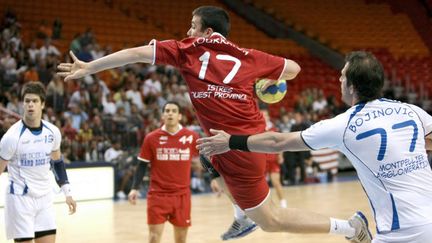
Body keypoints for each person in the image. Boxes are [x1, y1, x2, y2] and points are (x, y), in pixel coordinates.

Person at [57, 6, 369, 242]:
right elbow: (294, 68)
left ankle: (350, 227)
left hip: (241, 148)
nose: (187, 31)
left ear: (206, 32)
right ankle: (240, 213)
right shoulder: (248, 56)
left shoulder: (186, 50)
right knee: (205, 150)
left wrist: (91, 68)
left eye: (192, 26)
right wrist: (266, 78)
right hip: (237, 141)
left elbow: (136, 54)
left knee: (271, 221)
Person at [197, 51, 432, 243]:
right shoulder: (412, 111)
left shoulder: (344, 125)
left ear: (351, 86)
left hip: (402, 231)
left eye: (342, 76)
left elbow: (278, 141)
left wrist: (230, 142)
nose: (339, 80)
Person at [0, 81, 77, 243]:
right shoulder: (11, 137)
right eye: (27, 101)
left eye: (34, 101)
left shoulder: (53, 132)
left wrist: (67, 192)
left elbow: (57, 164)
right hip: (20, 200)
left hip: (44, 199)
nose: (30, 105)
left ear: (42, 104)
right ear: (23, 104)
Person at [128, 101, 199, 243]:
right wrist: (134, 188)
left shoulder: (191, 137)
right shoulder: (151, 138)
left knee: (181, 239)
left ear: (180, 116)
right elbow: (142, 165)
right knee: (153, 238)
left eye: (173, 111)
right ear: (162, 116)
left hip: (181, 196)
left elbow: (205, 160)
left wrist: (215, 178)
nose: (170, 113)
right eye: (167, 111)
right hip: (157, 195)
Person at [262, 109, 287, 207]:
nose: (264, 117)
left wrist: (280, 155)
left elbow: (280, 143)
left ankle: (283, 203)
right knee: (261, 185)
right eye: (262, 115)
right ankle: (265, 206)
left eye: (265, 115)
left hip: (273, 159)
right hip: (261, 160)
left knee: (276, 182)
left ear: (268, 116)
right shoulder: (257, 128)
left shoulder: (274, 128)